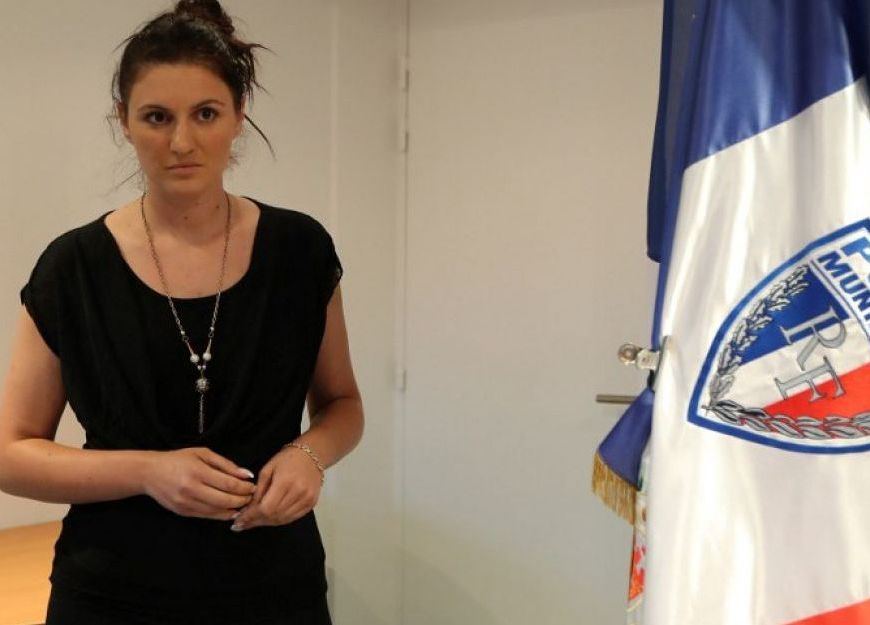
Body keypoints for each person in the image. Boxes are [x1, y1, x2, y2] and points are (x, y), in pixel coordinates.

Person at [0, 1, 364, 623]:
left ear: (239, 115)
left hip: (273, 585)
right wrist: (147, 472)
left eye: (205, 114)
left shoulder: (300, 251)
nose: (181, 142)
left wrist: (310, 455)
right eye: (157, 117)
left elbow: (343, 404)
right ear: (123, 120)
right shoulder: (73, 267)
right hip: (112, 592)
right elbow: (12, 454)